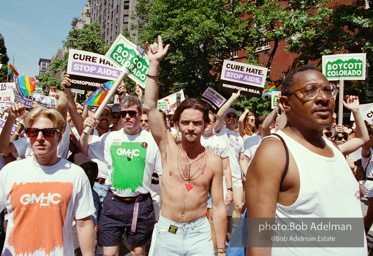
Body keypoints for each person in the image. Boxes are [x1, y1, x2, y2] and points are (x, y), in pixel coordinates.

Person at [245, 64, 367, 255]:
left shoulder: (332, 148)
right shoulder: (275, 152)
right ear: (285, 103)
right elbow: (259, 243)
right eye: (309, 91)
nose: (323, 98)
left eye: (328, 89)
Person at [144, 35, 227, 255]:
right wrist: (154, 64)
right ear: (177, 124)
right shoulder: (167, 148)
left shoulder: (214, 161)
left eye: (197, 123)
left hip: (199, 233)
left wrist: (220, 249)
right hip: (167, 230)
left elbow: (218, 206)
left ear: (205, 125)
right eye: (186, 122)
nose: (191, 127)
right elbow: (151, 108)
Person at [0, 106, 95, 255]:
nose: (39, 138)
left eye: (48, 133)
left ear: (59, 135)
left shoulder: (76, 174)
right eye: (33, 132)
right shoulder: (10, 172)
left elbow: (84, 223)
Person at [80, 94, 161, 256]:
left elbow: (163, 174)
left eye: (132, 113)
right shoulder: (110, 138)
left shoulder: (152, 140)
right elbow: (84, 150)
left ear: (140, 114)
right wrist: (85, 131)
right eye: (123, 114)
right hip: (113, 202)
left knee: (138, 252)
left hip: (141, 204)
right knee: (109, 253)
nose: (127, 117)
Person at [201, 110, 233, 251]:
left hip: (215, 187)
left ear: (214, 123)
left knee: (213, 221)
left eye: (209, 121)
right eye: (204, 121)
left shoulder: (220, 142)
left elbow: (226, 168)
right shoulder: (195, 140)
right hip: (197, 187)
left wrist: (230, 190)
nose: (206, 124)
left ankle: (212, 250)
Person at [214, 93, 247, 219]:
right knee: (221, 207)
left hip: (236, 177)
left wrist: (247, 174)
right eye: (229, 115)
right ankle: (220, 234)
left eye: (234, 116)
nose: (231, 118)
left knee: (239, 206)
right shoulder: (220, 132)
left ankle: (235, 235)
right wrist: (233, 98)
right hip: (222, 176)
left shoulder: (239, 137)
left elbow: (242, 159)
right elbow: (218, 115)